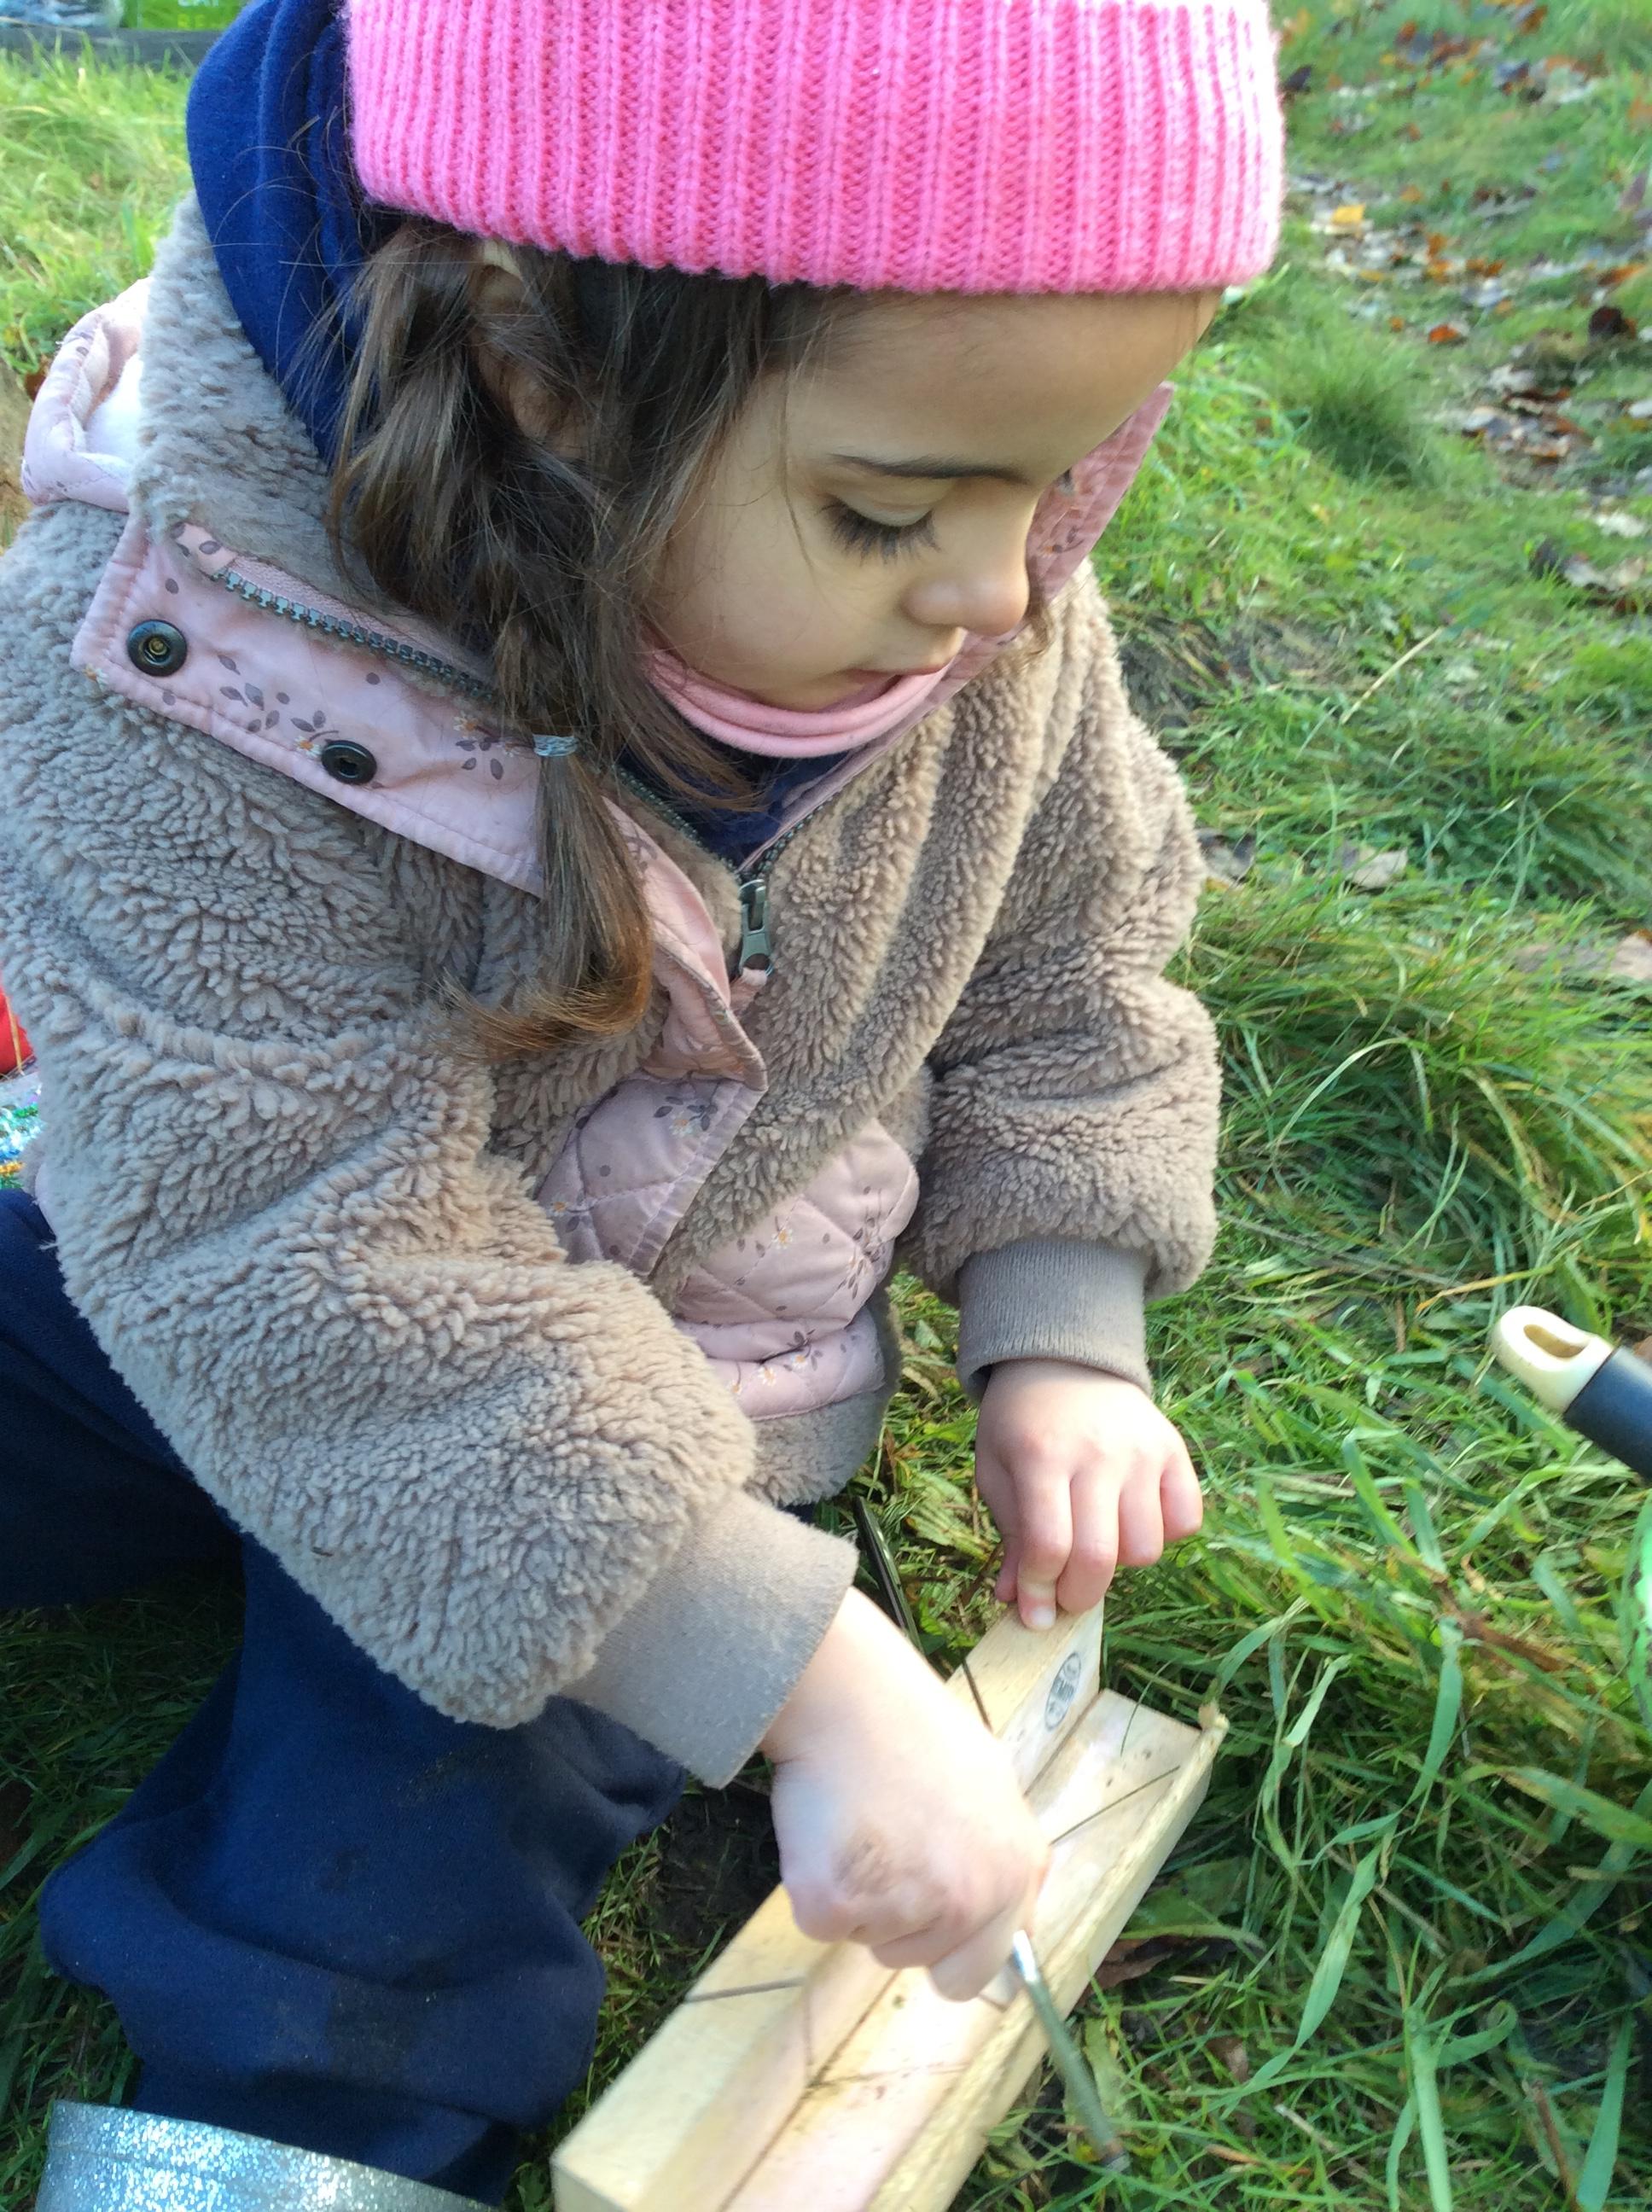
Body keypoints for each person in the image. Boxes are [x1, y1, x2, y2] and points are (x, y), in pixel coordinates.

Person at [0, 1, 1283, 2203]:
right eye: (895, 507)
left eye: (1076, 469)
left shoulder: (989, 606)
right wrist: (825, 1682)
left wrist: (1063, 1324)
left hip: (667, 1431)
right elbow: (265, 1232)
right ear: (537, 363)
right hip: (266, 1284)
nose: (997, 587)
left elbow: (1080, 955)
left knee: (390, 1867)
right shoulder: (175, 637)